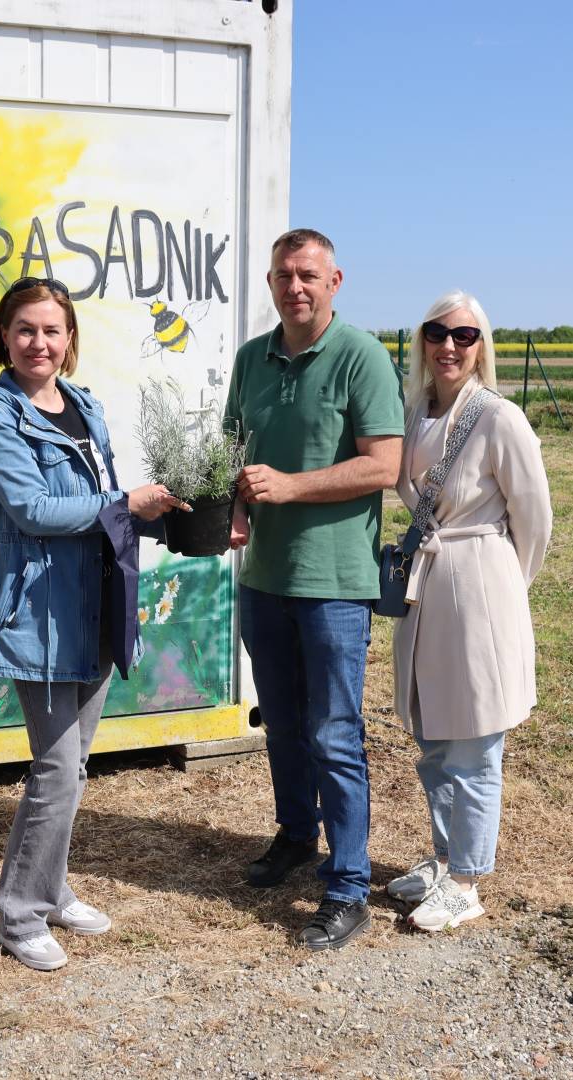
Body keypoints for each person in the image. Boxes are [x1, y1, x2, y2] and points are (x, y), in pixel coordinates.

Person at [0, 277, 186, 972]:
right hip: (39, 609)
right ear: (5, 337)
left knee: (74, 764)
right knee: (57, 768)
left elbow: (104, 504)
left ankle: (51, 887)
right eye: (25, 329)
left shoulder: (84, 405)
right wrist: (124, 504)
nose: (39, 342)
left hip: (94, 602)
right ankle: (21, 915)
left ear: (69, 340)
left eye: (52, 330)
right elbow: (32, 509)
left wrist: (157, 517)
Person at [223, 229, 405, 950]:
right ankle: (297, 834)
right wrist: (233, 506)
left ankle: (349, 885)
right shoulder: (252, 359)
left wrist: (291, 487)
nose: (294, 287)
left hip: (333, 583)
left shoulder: (362, 356)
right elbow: (232, 452)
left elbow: (383, 465)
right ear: (270, 283)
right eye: (283, 275)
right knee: (284, 724)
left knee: (334, 733)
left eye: (307, 274)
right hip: (264, 577)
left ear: (335, 281)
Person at [384, 290, 551, 931]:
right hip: (426, 583)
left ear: (482, 345)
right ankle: (445, 857)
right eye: (437, 333)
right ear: (422, 341)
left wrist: (501, 583)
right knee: (432, 733)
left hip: (478, 580)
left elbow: (534, 518)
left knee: (476, 740)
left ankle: (467, 880)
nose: (449, 346)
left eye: (464, 335)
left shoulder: (499, 418)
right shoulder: (413, 414)